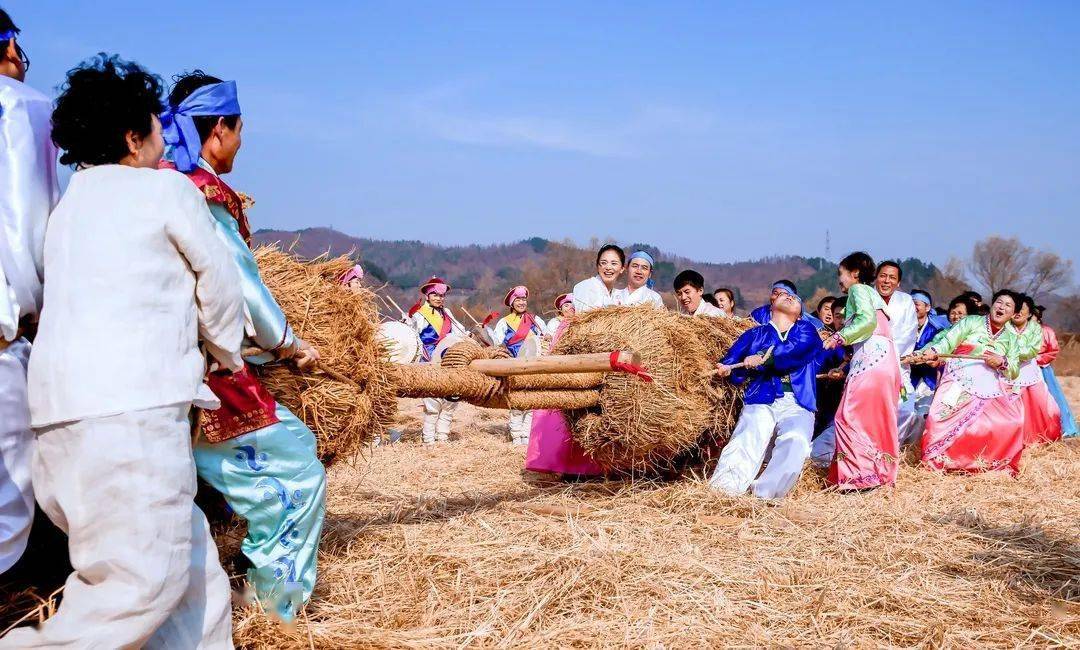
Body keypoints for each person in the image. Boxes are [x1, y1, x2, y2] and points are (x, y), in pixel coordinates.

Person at [3, 55, 243, 648]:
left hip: (59, 419)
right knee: (138, 586)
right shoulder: (166, 190)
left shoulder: (69, 207)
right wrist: (226, 352)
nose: (165, 139)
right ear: (133, 138)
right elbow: (218, 284)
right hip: (131, 413)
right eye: (157, 127)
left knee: (191, 571)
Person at [160, 70, 327, 620]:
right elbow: (237, 284)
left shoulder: (158, 182)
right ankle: (275, 608)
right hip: (206, 373)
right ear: (219, 130)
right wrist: (288, 343)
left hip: (154, 363)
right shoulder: (203, 193)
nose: (240, 144)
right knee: (299, 475)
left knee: (292, 444)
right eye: (239, 131)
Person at [0, 8, 59, 578]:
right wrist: (40, 306)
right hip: (5, 333)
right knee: (10, 501)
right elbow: (30, 223)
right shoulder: (21, 107)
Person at [708, 287, 822, 499]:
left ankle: (765, 496)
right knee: (747, 438)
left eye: (794, 297)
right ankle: (723, 494)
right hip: (762, 396)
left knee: (797, 440)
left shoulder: (807, 331)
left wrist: (762, 357)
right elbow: (733, 362)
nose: (789, 297)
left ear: (799, 313)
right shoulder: (753, 334)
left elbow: (796, 351)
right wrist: (727, 369)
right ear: (772, 305)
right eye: (783, 295)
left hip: (798, 402)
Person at [915, 291, 1024, 475]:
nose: (1001, 307)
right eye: (999, 302)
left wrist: (1002, 361)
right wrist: (934, 351)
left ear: (1013, 314)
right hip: (960, 377)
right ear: (992, 304)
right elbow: (948, 341)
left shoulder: (1011, 338)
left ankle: (983, 463)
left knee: (1013, 421)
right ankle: (938, 461)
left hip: (990, 385)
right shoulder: (971, 322)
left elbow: (1014, 370)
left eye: (1008, 305)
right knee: (937, 418)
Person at [821, 252, 901, 490]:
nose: (839, 280)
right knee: (874, 418)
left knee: (847, 416)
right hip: (884, 358)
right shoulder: (873, 295)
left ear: (854, 273)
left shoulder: (858, 290)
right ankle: (878, 473)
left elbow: (867, 322)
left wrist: (839, 337)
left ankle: (858, 477)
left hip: (871, 359)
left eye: (841, 274)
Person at [410, 276, 469, 443]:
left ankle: (442, 436)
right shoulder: (419, 315)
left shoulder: (447, 313)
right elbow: (413, 335)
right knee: (432, 402)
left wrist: (468, 335)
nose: (439, 298)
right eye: (435, 295)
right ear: (427, 296)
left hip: (448, 358)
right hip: (429, 358)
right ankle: (428, 439)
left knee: (450, 400)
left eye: (442, 296)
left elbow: (459, 330)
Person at [492, 286, 546, 445]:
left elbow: (544, 338)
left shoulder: (535, 320)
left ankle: (527, 435)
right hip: (514, 367)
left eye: (523, 299)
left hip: (533, 368)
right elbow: (497, 343)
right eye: (518, 300)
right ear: (512, 303)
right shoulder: (504, 322)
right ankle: (516, 436)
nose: (522, 303)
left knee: (530, 402)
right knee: (516, 402)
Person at [874, 261, 921, 447]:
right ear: (876, 278)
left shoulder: (905, 301)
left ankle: (893, 448)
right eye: (883, 276)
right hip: (870, 367)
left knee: (905, 410)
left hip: (898, 367)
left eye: (892, 277)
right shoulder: (865, 298)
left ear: (898, 282)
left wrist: (887, 354)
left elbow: (908, 333)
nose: (887, 281)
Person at [1007, 294, 1062, 445]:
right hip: (1007, 373)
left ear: (1030, 313)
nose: (1017, 312)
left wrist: (1010, 355)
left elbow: (1031, 350)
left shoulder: (1036, 329)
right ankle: (1012, 440)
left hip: (1030, 371)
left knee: (1037, 405)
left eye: (1022, 309)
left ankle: (1037, 438)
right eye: (1015, 308)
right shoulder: (1004, 328)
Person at [1034, 306, 1078, 438]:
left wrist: (1038, 360)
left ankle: (1061, 427)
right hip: (1026, 369)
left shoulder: (1046, 331)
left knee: (1051, 397)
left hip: (1043, 369)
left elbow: (1053, 350)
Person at [910, 289, 945, 416]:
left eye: (916, 304)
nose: (913, 307)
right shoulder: (902, 325)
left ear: (927, 307)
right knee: (902, 409)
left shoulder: (937, 329)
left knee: (921, 414)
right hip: (906, 376)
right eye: (910, 303)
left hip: (928, 378)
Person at [572, 244, 625, 312]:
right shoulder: (586, 287)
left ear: (622, 269)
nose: (608, 267)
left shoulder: (618, 296)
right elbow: (583, 317)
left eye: (614, 263)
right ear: (597, 266)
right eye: (603, 263)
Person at [750, 280, 823, 328]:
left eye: (783, 295)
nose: (777, 298)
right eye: (775, 293)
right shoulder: (759, 313)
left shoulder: (802, 323)